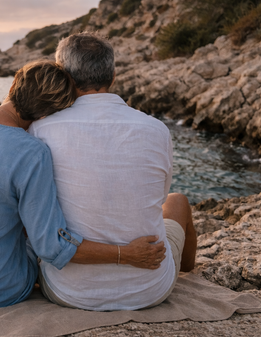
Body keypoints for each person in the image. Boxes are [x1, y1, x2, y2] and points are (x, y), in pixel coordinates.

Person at [0, 60, 166, 310]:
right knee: (36, 239)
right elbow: (51, 248)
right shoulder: (32, 152)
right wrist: (126, 254)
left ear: (14, 84)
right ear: (47, 115)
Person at [28, 33, 197, 311]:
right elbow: (158, 195)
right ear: (113, 75)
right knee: (176, 201)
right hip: (149, 289)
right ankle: (184, 268)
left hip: (70, 292)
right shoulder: (156, 129)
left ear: (65, 77)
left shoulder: (41, 129)